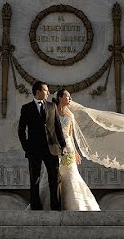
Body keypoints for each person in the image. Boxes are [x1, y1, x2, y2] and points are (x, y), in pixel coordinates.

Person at [47, 88, 101, 211]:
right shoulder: (51, 112)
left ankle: (74, 205)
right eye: (68, 96)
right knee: (53, 176)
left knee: (71, 175)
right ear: (60, 98)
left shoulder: (70, 114)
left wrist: (75, 151)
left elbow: (70, 135)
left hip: (68, 148)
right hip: (54, 147)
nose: (70, 99)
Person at [17, 80, 66, 210]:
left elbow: (58, 127)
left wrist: (63, 145)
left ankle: (56, 207)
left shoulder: (52, 106)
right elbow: (21, 130)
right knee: (35, 180)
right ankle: (36, 207)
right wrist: (26, 147)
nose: (48, 93)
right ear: (38, 92)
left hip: (52, 148)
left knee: (55, 179)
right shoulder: (26, 108)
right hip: (34, 150)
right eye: (45, 90)